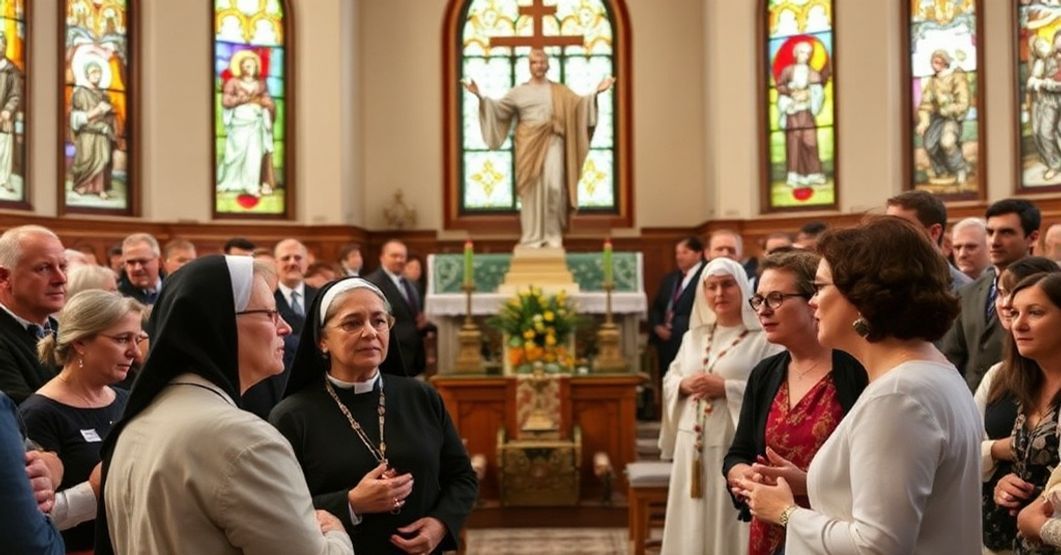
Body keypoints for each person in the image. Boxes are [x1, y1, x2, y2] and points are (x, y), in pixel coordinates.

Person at [738, 217, 982, 554]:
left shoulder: (898, 396)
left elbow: (878, 545)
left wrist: (785, 513)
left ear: (864, 298)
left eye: (821, 287)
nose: (812, 301)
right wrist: (811, 482)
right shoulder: (931, 371)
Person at [96, 255, 354, 554]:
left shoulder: (138, 422)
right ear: (220, 323)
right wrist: (336, 533)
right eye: (270, 313)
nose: (284, 327)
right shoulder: (245, 439)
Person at [270, 277, 478, 554]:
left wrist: (440, 524)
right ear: (322, 340)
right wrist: (351, 503)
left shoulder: (422, 397)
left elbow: (462, 477)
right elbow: (278, 507)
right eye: (352, 323)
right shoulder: (292, 416)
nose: (370, 332)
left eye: (379, 321)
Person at [723, 251, 867, 555]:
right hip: (768, 532)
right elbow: (739, 452)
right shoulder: (765, 373)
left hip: (832, 531)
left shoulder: (855, 370)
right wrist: (741, 474)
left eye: (776, 298)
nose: (763, 310)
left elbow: (872, 472)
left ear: (812, 300)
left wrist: (807, 484)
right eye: (758, 299)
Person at [657, 257, 782, 555]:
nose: (719, 293)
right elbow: (670, 377)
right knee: (690, 517)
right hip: (693, 443)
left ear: (741, 287)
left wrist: (725, 388)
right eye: (711, 287)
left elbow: (773, 387)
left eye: (727, 285)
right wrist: (683, 385)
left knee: (726, 516)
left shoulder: (763, 339)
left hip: (733, 442)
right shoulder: (693, 336)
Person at [19, 290, 143, 551]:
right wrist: (92, 491)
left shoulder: (128, 400)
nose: (134, 351)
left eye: (137, 339)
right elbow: (28, 519)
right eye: (122, 339)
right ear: (81, 342)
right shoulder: (38, 414)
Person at [465, 48, 613, 248]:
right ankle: (532, 237)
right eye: (535, 62)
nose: (539, 65)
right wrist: (480, 96)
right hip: (528, 145)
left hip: (554, 141)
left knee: (554, 187)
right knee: (531, 191)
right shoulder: (519, 92)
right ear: (529, 65)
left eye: (543, 61)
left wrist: (596, 92)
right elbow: (498, 109)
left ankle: (552, 235)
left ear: (548, 64)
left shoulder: (560, 91)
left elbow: (579, 106)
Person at [974, 257, 1060, 553]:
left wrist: (1040, 521)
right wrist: (1005, 485)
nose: (1018, 324)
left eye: (1035, 312)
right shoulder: (1020, 378)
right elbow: (966, 449)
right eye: (1014, 312)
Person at [943, 198, 1041, 391]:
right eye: (990, 232)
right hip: (971, 405)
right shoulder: (967, 292)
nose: (995, 241)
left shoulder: (1049, 288)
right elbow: (952, 358)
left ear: (1032, 237)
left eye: (1006, 233)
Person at [243, 238, 319, 419]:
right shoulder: (263, 298)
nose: (292, 262)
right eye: (286, 258)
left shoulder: (320, 296)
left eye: (298, 258)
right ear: (276, 263)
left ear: (307, 262)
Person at [0, 225, 67, 403]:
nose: (61, 279)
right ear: (4, 277)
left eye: (63, 266)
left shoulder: (62, 330)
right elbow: (22, 415)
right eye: (44, 268)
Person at [0, 392, 65, 554]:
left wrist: (49, 466)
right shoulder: (39, 410)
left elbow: (41, 456)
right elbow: (32, 546)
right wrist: (90, 493)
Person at [217, 50, 276, 198]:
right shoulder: (233, 83)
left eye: (253, 66)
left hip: (256, 124)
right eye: (247, 66)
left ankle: (251, 186)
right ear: (241, 67)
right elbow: (225, 101)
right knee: (234, 155)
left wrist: (266, 103)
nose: (250, 69)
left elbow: (268, 101)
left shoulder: (261, 84)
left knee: (254, 155)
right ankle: (227, 183)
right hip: (239, 124)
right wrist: (239, 100)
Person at [648, 236, 705, 391]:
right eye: (677, 253)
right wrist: (657, 326)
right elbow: (656, 307)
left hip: (689, 338)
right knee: (669, 382)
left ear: (698, 254)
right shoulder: (671, 278)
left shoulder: (705, 276)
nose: (679, 257)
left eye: (684, 252)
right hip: (666, 342)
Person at [885, 190, 972, 290]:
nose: (890, 233)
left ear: (934, 232)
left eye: (902, 227)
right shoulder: (879, 280)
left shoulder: (965, 290)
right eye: (888, 225)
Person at [366, 240, 426, 376]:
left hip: (414, 353)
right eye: (394, 256)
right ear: (382, 257)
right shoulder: (372, 283)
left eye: (402, 256)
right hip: (392, 354)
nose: (399, 260)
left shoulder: (412, 284)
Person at [776, 41, 828, 188]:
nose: (804, 56)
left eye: (807, 53)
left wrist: (808, 94)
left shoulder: (813, 73)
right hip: (793, 111)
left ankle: (814, 174)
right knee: (794, 142)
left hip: (806, 112)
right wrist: (791, 92)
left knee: (810, 141)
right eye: (801, 52)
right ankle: (794, 175)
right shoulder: (788, 71)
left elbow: (818, 91)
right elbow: (780, 86)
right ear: (795, 53)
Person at [916, 49, 971, 185]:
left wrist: (948, 108)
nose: (935, 65)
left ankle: (960, 168)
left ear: (945, 62)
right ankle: (942, 171)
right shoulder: (932, 82)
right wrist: (923, 121)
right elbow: (926, 104)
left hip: (952, 117)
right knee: (929, 145)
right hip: (937, 119)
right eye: (933, 62)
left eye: (938, 62)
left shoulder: (957, 76)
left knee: (947, 142)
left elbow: (963, 102)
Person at [69, 61, 116, 199]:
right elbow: (74, 117)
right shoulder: (80, 92)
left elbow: (109, 116)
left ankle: (100, 188)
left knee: (103, 159)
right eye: (93, 72)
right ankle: (82, 185)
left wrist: (108, 116)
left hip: (102, 133)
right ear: (87, 75)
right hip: (87, 134)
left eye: (99, 72)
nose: (97, 75)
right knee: (87, 160)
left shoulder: (104, 95)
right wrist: (94, 112)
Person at [0, 31, 23, 193]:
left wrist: (8, 110)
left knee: (4, 148)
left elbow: (16, 94)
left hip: (4, 116)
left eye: (1, 44)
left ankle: (4, 179)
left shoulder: (11, 70)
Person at [117, 232, 163, 306]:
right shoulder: (118, 298)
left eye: (143, 261)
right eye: (131, 262)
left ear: (159, 262)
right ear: (124, 265)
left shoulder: (175, 289)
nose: (137, 268)